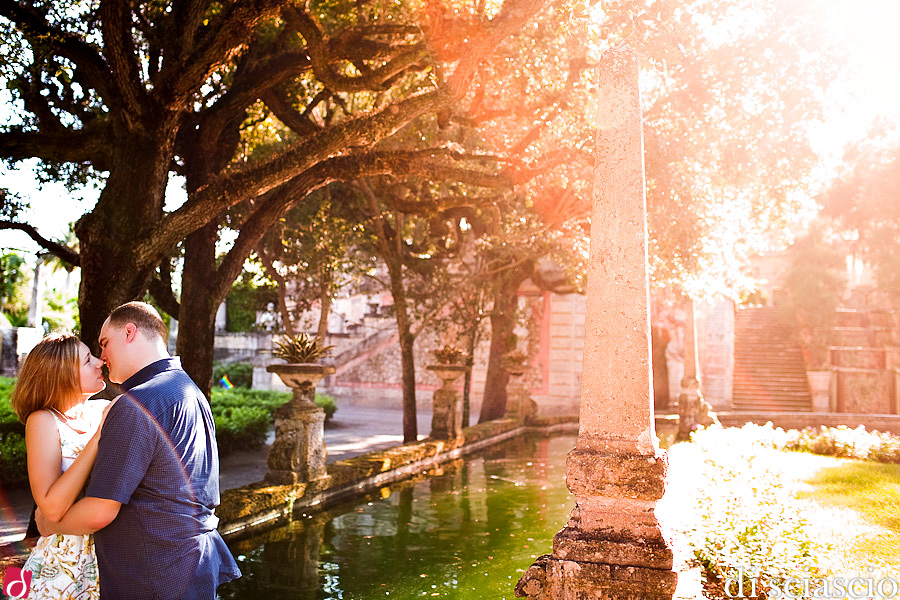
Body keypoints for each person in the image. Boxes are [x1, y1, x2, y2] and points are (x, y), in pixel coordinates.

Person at [36, 301, 241, 599]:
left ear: (129, 332)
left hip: (152, 575)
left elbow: (100, 510)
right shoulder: (187, 389)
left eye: (105, 344)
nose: (103, 357)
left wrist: (48, 523)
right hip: (192, 565)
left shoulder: (138, 403)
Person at [11, 332, 110, 599]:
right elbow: (51, 508)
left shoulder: (106, 409)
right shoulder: (43, 421)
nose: (100, 362)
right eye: (88, 360)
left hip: (109, 558)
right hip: (61, 567)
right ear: (63, 374)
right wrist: (99, 437)